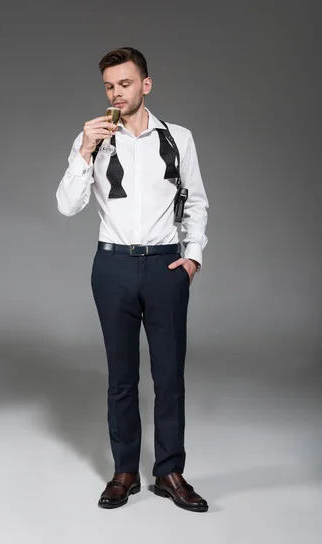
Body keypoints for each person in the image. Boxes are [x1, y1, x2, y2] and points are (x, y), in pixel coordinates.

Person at [56, 47, 209, 512]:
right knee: (121, 376)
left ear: (146, 84)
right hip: (113, 267)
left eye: (125, 84)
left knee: (170, 376)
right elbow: (67, 205)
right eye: (109, 86)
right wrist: (84, 150)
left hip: (165, 267)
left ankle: (169, 471)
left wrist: (193, 256)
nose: (117, 94)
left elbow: (196, 200)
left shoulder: (178, 137)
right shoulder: (95, 139)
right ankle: (125, 471)